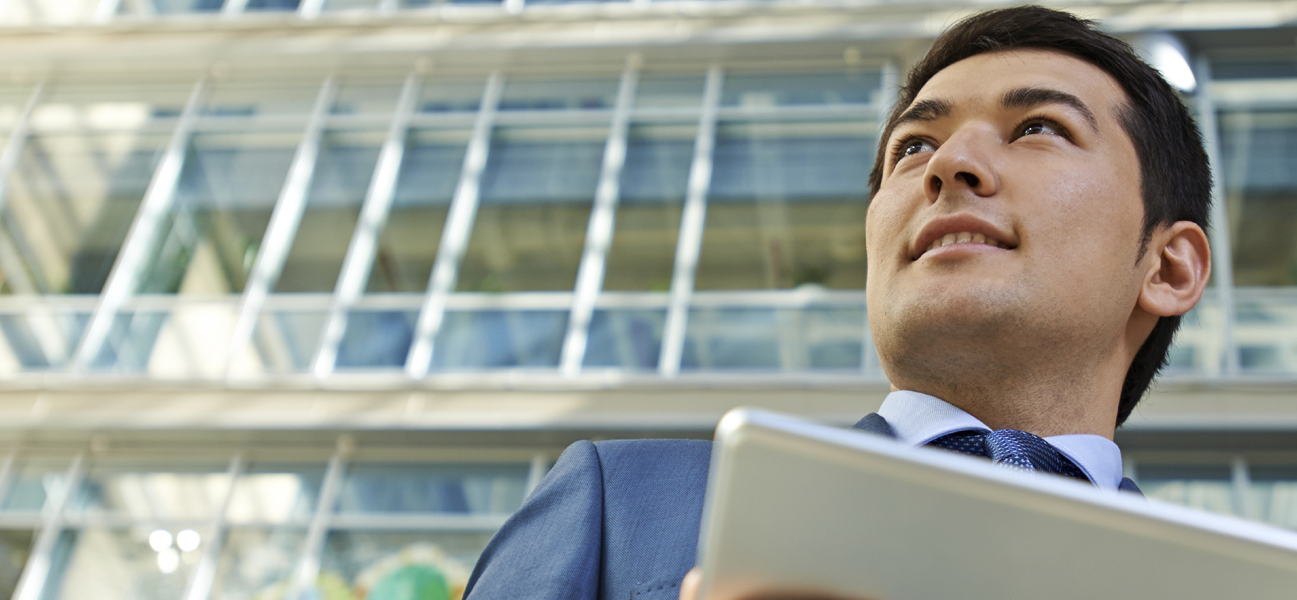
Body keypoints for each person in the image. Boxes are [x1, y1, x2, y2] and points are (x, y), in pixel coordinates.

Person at [462, 5, 1212, 599]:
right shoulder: (621, 502)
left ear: (1170, 266)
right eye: (912, 147)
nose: (949, 164)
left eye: (1038, 128)